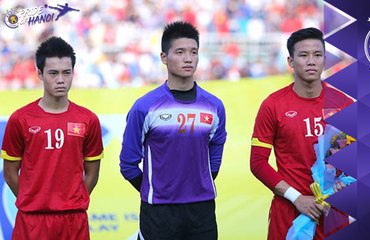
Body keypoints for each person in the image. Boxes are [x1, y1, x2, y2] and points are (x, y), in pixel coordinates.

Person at [119, 21, 227, 240]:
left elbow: (217, 147)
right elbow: (128, 163)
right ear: (164, 58)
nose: (188, 58)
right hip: (159, 213)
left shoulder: (214, 106)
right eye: (180, 52)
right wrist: (153, 189)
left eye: (193, 52)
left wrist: (204, 179)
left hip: (202, 210)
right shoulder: (144, 107)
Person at [250, 27, 353, 240]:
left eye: (317, 55)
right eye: (303, 55)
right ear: (290, 61)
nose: (311, 61)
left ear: (325, 59)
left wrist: (348, 182)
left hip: (334, 212)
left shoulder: (344, 104)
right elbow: (258, 163)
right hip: (290, 212)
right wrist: (296, 198)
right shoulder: (273, 105)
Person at [1, 36, 104, 240]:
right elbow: (10, 172)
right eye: (53, 73)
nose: (60, 80)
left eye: (66, 73)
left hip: (73, 221)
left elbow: (92, 173)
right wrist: (31, 199)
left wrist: (75, 200)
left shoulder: (88, 119)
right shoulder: (20, 119)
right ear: (40, 74)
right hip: (31, 221)